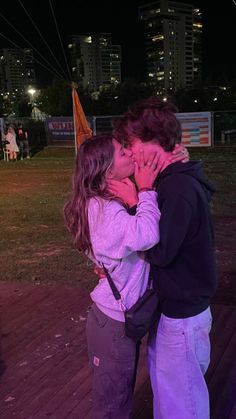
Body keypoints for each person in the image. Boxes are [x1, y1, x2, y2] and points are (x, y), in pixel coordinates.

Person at [64, 133, 187, 418]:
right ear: (107, 169)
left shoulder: (103, 202)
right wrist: (143, 193)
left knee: (120, 395)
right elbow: (147, 233)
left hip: (114, 320)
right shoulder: (104, 209)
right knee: (114, 405)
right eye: (122, 153)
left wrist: (175, 158)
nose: (130, 155)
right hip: (112, 325)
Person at [112, 97, 217, 419]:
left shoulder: (178, 187)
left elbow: (159, 251)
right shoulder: (175, 180)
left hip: (182, 313)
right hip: (179, 309)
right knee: (173, 392)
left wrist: (137, 199)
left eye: (130, 143)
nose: (128, 151)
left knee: (181, 402)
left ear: (153, 142)